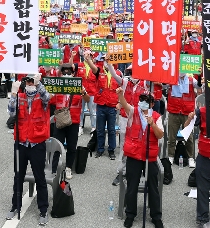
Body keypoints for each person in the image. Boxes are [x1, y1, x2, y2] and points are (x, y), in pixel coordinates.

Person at [6, 74, 52, 226]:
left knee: (40, 178)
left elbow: (47, 98)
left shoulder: (41, 96)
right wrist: (13, 94)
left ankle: (43, 209)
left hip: (37, 143)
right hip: (21, 143)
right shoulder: (20, 96)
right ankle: (15, 205)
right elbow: (12, 112)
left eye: (33, 81)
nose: (30, 84)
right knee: (18, 176)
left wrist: (39, 85)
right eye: (28, 81)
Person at [116, 86, 164, 228]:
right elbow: (124, 104)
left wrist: (152, 124)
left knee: (153, 188)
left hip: (150, 157)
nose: (143, 102)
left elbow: (160, 135)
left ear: (152, 104)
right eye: (141, 99)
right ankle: (130, 214)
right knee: (132, 187)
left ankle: (156, 216)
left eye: (146, 100)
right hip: (134, 156)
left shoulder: (156, 116)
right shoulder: (133, 112)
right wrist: (120, 95)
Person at [52, 63, 89, 180]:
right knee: (57, 145)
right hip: (61, 120)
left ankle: (68, 168)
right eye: (64, 72)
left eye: (69, 72)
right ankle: (54, 168)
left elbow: (87, 100)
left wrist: (83, 93)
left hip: (74, 120)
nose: (66, 74)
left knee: (72, 146)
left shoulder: (79, 85)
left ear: (73, 73)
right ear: (61, 73)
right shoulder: (57, 86)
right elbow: (49, 101)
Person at [84, 50, 122, 160]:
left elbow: (122, 90)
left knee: (111, 129)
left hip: (112, 105)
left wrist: (119, 102)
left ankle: (111, 150)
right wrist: (89, 59)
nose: (106, 61)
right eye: (105, 59)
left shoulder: (118, 73)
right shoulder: (99, 71)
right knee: (100, 129)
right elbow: (93, 67)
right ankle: (100, 149)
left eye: (108, 59)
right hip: (101, 104)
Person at [166, 72, 198, 168]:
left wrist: (200, 75)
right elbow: (163, 85)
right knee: (171, 136)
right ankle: (170, 156)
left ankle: (190, 157)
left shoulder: (191, 80)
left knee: (189, 137)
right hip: (174, 110)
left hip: (187, 112)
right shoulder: (171, 77)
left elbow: (199, 85)